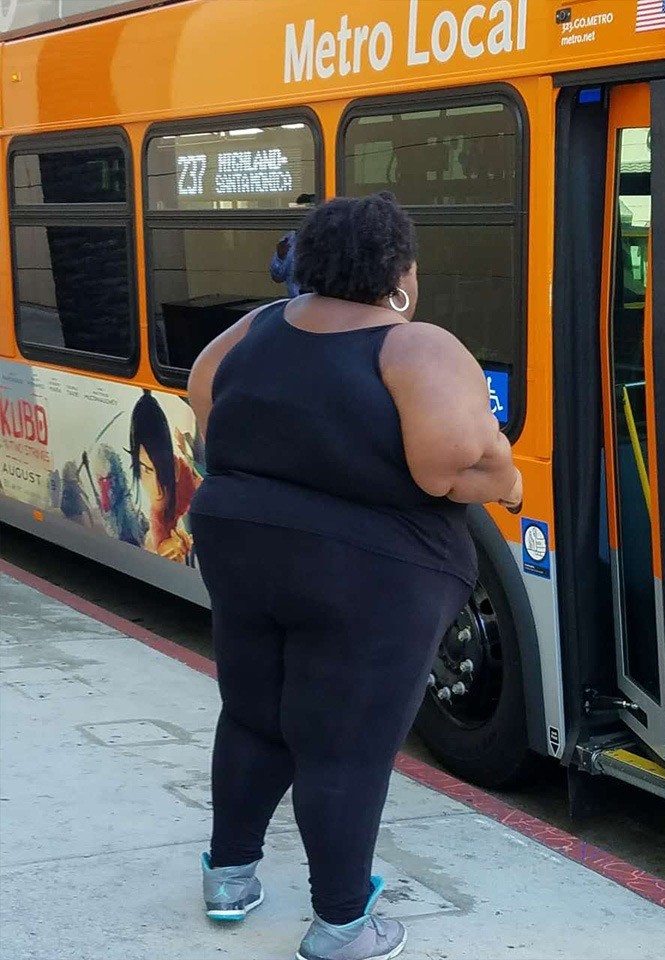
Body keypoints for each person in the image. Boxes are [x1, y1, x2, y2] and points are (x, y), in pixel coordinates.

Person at [188, 192, 522, 960]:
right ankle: (343, 924)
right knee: (343, 746)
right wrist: (507, 481)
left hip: (240, 549)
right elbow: (449, 470)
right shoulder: (417, 348)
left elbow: (205, 399)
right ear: (399, 273)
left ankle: (229, 878)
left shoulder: (255, 327)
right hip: (369, 576)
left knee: (253, 715)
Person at [128, 391, 200, 563]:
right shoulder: (156, 517)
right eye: (146, 470)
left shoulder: (186, 475)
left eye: (160, 469)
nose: (157, 488)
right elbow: (160, 544)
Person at [269, 194, 316, 297]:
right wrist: (280, 258)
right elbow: (277, 277)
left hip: (322, 302)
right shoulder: (289, 240)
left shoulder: (327, 239)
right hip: (296, 301)